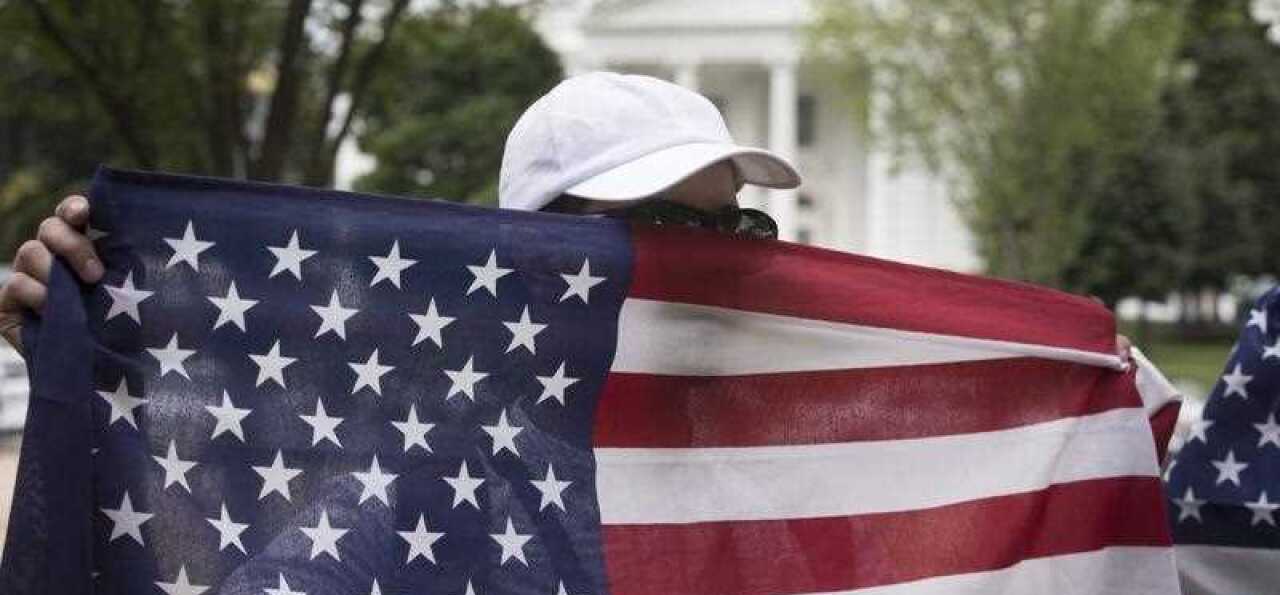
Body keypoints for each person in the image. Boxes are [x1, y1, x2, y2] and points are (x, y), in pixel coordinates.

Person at [0, 71, 1130, 358]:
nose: (720, 269)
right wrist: (87, 356)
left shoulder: (813, 404)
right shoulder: (449, 444)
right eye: (664, 230)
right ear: (533, 255)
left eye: (738, 229)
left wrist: (1078, 366)